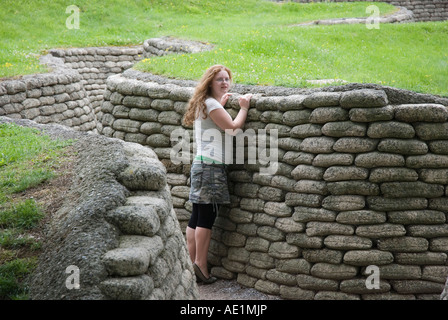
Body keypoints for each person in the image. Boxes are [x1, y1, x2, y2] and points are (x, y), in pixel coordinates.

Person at [183, 65, 252, 284]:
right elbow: (232, 128)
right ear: (209, 83)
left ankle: (191, 263)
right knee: (206, 218)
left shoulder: (206, 104)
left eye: (226, 79)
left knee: (196, 218)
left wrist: (221, 105)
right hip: (211, 168)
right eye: (219, 80)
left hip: (201, 166)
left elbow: (214, 123)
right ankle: (201, 266)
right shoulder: (211, 104)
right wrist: (244, 107)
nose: (224, 83)